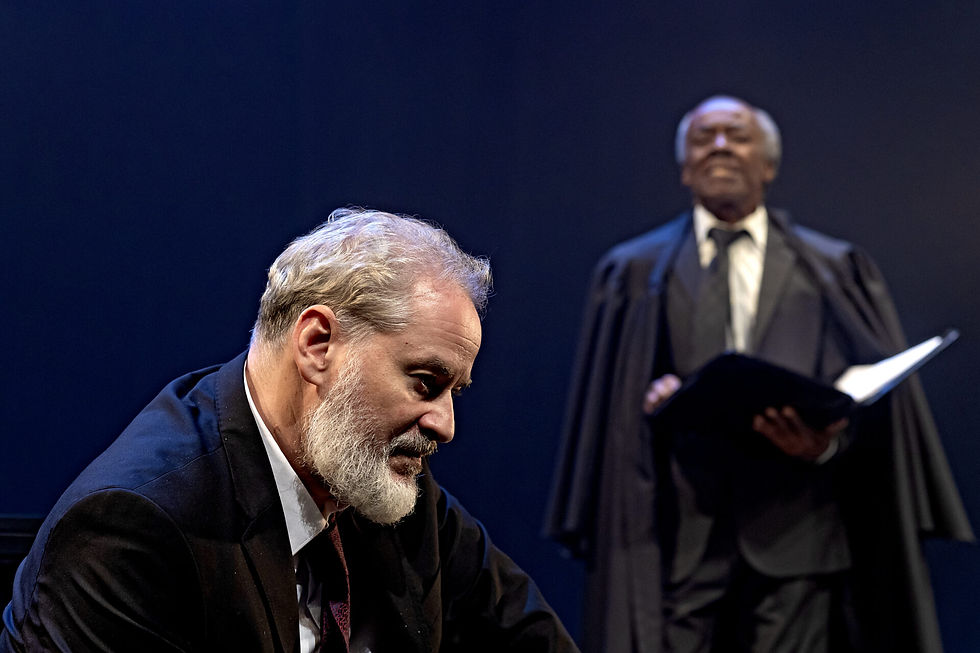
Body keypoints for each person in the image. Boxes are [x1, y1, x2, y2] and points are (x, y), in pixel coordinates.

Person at [1, 208, 579, 652]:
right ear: (317, 345)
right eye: (426, 383)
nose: (446, 426)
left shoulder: (384, 484)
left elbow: (529, 634)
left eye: (457, 393)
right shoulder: (133, 525)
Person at [545, 96, 973, 653]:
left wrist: (823, 443)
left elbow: (876, 413)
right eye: (704, 137)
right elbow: (613, 410)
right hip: (680, 535)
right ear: (684, 166)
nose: (720, 145)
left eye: (737, 135)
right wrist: (657, 400)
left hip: (798, 531)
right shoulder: (635, 271)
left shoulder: (831, 269)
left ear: (768, 165)